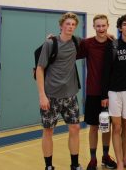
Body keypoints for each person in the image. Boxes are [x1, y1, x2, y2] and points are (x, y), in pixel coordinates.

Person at [36, 12, 83, 170]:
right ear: (61, 26)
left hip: (70, 95)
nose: (70, 27)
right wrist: (42, 95)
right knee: (49, 131)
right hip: (51, 96)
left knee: (75, 128)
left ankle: (75, 165)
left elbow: (95, 41)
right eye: (67, 24)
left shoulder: (77, 41)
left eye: (73, 24)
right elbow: (40, 69)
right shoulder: (50, 43)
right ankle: (49, 166)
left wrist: (108, 33)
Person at [101, 14, 126, 170]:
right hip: (114, 92)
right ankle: (118, 162)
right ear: (119, 28)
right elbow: (105, 72)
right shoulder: (112, 46)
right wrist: (104, 94)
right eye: (124, 24)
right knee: (116, 127)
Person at [78, 14, 117, 170]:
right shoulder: (87, 44)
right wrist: (54, 40)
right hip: (93, 92)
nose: (101, 29)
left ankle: (106, 156)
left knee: (106, 126)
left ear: (108, 25)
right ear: (93, 27)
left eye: (103, 25)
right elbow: (69, 52)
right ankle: (93, 159)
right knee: (94, 126)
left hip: (110, 92)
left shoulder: (114, 43)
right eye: (98, 26)